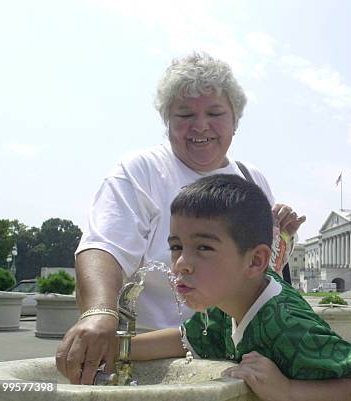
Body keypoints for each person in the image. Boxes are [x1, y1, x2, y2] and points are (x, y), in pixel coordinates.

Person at [56, 52, 306, 385]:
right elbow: (104, 246)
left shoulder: (252, 179)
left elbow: (258, 270)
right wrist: (99, 311)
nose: (200, 125)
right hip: (152, 351)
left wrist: (282, 240)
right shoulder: (140, 170)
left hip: (237, 353)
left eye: (215, 113)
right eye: (185, 114)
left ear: (235, 120)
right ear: (167, 123)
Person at [130, 175, 351, 401]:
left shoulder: (287, 324)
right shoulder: (227, 303)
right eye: (176, 246)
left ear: (255, 261)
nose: (181, 264)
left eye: (204, 247)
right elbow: (183, 339)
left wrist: (288, 390)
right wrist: (114, 347)